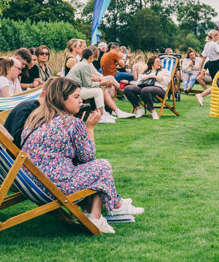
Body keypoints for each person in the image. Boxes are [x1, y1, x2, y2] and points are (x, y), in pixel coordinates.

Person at [21, 77, 143, 234]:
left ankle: (101, 208)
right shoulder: (71, 123)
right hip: (54, 188)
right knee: (102, 167)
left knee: (83, 168)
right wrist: (90, 128)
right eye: (76, 97)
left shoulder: (35, 119)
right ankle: (96, 217)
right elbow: (88, 156)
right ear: (61, 99)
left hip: (31, 184)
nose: (81, 101)